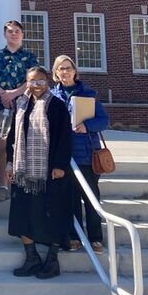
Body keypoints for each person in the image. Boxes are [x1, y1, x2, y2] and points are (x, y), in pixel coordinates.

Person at [6, 66, 72, 280]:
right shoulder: (21, 104)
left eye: (40, 81)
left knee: (51, 214)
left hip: (49, 172)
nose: (36, 85)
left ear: (47, 82)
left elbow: (64, 137)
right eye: (32, 81)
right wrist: (9, 163)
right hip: (23, 171)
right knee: (20, 215)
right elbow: (12, 137)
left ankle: (52, 261)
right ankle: (32, 257)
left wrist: (60, 165)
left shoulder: (57, 106)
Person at [51, 54, 110, 254]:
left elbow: (104, 120)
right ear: (56, 73)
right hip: (63, 155)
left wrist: (87, 126)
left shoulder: (88, 93)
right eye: (61, 69)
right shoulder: (51, 95)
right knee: (70, 199)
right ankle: (74, 237)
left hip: (85, 154)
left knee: (91, 198)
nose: (65, 72)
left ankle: (95, 238)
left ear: (75, 71)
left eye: (68, 68)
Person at [0, 20, 39, 202]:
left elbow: (33, 81)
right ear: (5, 35)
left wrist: (14, 93)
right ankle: (3, 187)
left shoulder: (30, 58)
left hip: (23, 107)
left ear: (22, 34)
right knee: (4, 146)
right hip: (0, 106)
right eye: (10, 31)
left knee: (10, 140)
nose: (13, 34)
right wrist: (2, 93)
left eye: (17, 31)